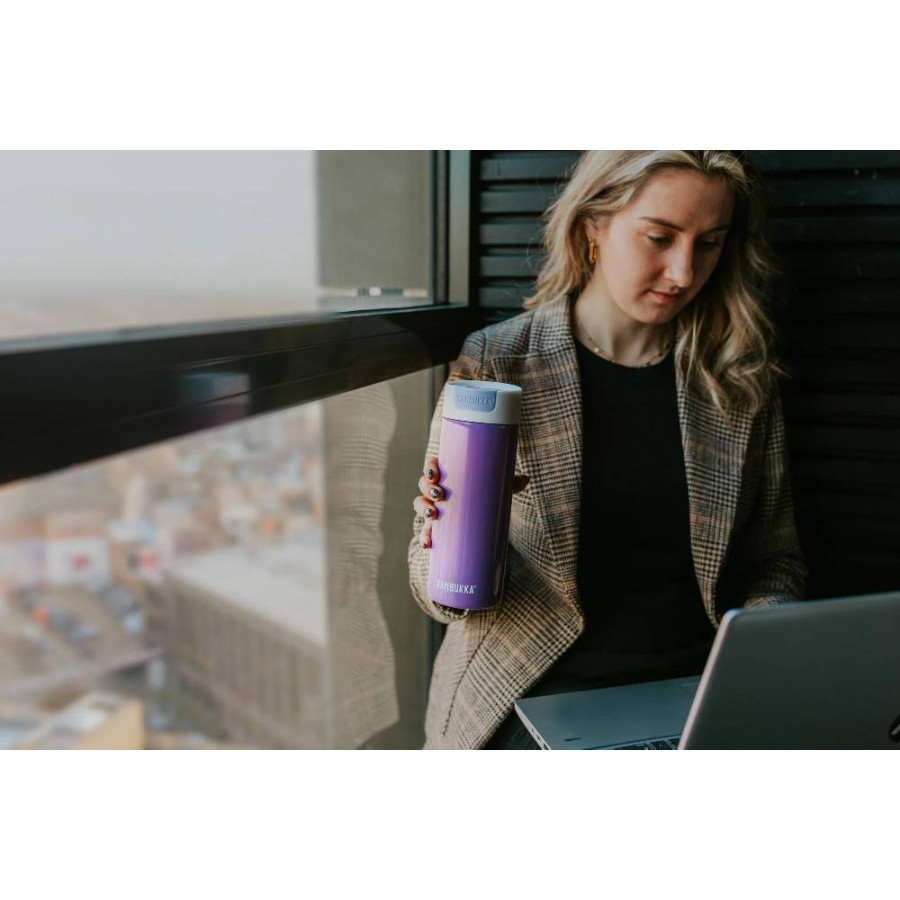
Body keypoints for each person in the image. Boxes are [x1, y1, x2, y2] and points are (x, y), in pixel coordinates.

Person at [408, 151, 808, 750]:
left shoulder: (738, 378)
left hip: (695, 692)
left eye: (709, 244)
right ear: (592, 226)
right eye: (659, 237)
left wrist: (760, 647)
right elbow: (433, 590)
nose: (682, 272)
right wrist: (447, 543)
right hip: (528, 695)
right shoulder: (499, 362)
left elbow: (776, 559)